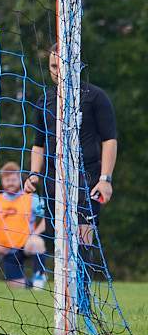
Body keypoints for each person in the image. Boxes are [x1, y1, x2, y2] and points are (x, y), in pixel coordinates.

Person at [24, 44, 117, 248]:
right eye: (53, 66)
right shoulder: (45, 99)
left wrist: (105, 179)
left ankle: (84, 269)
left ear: (76, 66)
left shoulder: (95, 96)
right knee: (60, 242)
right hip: (53, 179)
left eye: (62, 66)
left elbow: (109, 139)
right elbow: (38, 144)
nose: (58, 71)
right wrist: (33, 174)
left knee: (83, 243)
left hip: (87, 177)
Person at [0, 162, 49, 289]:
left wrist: (35, 233)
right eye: (7, 180)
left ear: (20, 179)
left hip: (26, 245)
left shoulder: (30, 197)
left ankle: (39, 277)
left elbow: (48, 216)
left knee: (37, 242)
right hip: (6, 250)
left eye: (13, 180)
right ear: (2, 181)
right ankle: (31, 284)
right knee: (16, 286)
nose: (10, 183)